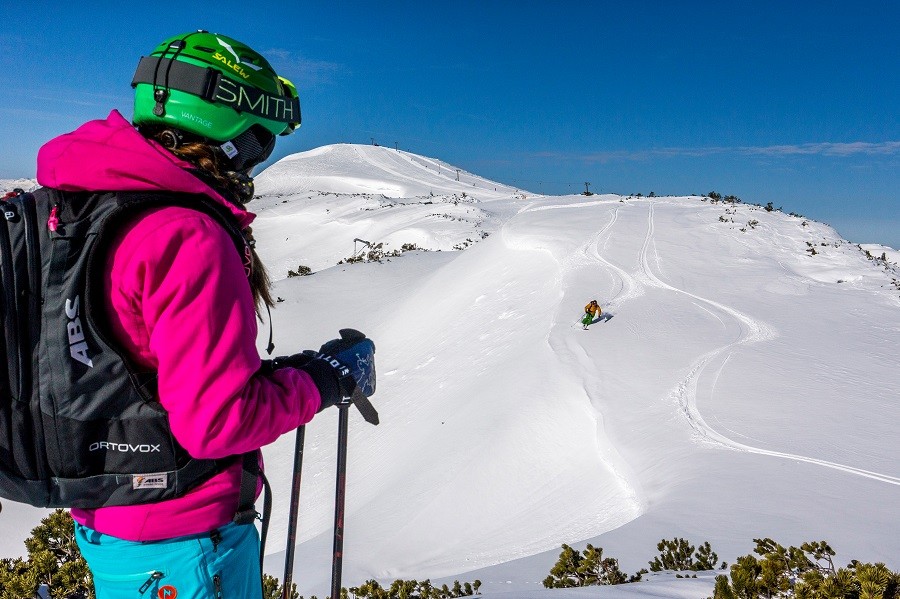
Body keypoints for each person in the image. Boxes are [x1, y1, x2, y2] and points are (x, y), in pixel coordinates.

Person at [30, 31, 373, 599]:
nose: (259, 161)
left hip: (108, 519)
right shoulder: (185, 234)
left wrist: (277, 373)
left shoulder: (76, 208)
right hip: (186, 539)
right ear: (228, 130)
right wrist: (322, 382)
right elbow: (217, 424)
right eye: (261, 142)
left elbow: (135, 367)